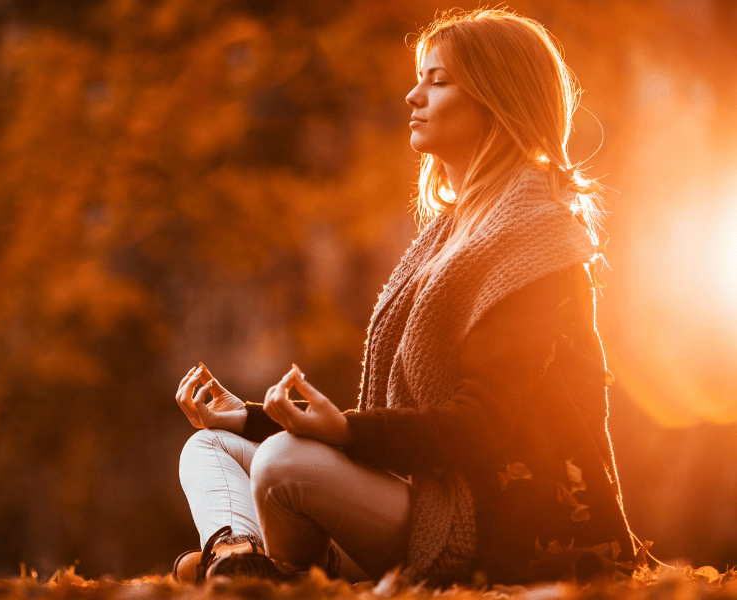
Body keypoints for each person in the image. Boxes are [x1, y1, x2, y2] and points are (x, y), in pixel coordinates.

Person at [172, 8, 636, 587]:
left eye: (438, 81)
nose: (413, 96)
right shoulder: (448, 236)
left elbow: (481, 429)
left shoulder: (536, 239)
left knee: (280, 464)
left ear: (499, 99)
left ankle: (283, 575)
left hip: (494, 522)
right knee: (211, 444)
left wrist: (341, 432)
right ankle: (236, 556)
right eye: (420, 78)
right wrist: (252, 416)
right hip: (417, 499)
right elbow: (398, 426)